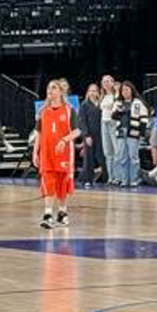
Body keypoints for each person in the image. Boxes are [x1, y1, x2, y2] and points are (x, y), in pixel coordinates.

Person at [33, 79, 80, 228]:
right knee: (48, 182)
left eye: (53, 88)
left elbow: (77, 131)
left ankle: (62, 212)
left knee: (62, 184)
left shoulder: (69, 110)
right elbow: (38, 134)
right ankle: (47, 214)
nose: (50, 91)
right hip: (47, 153)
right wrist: (35, 152)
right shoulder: (42, 111)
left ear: (61, 91)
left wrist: (64, 140)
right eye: (48, 89)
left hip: (64, 153)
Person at [111, 81, 148, 187]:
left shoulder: (138, 102)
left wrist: (142, 133)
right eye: (123, 90)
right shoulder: (118, 103)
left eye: (127, 89)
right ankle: (124, 179)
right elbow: (113, 116)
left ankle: (134, 179)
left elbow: (144, 119)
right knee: (122, 156)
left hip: (134, 132)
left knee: (133, 157)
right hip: (121, 131)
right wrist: (118, 111)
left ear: (132, 90)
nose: (125, 92)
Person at [77, 83, 103, 186]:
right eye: (91, 91)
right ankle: (87, 179)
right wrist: (86, 135)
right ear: (88, 92)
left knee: (100, 156)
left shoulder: (100, 104)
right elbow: (82, 121)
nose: (92, 93)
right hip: (89, 134)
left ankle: (104, 177)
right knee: (89, 157)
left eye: (94, 91)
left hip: (100, 134)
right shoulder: (84, 104)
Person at [99, 75, 118, 180]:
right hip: (104, 123)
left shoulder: (116, 95)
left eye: (108, 81)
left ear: (112, 83)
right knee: (107, 152)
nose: (106, 83)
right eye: (104, 82)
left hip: (113, 123)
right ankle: (111, 177)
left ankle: (118, 176)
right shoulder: (102, 96)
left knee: (116, 151)